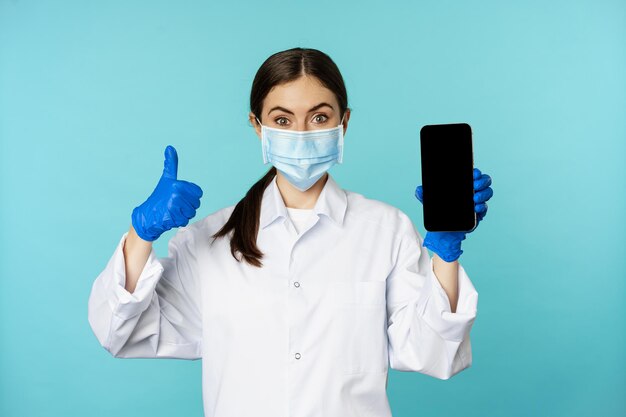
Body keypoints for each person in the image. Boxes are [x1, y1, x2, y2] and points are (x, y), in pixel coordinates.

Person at [88, 47, 493, 417]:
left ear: (344, 122)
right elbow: (119, 333)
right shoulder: (210, 241)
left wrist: (446, 253)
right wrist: (141, 235)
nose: (301, 133)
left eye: (319, 117)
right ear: (257, 126)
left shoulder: (385, 229)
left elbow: (432, 353)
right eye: (282, 119)